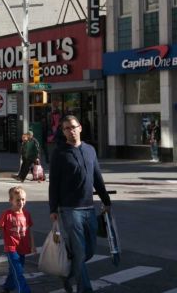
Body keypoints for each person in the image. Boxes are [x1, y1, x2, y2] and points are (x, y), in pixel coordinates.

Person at [49, 115, 112, 293]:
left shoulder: (90, 150)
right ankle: (85, 289)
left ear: (80, 127)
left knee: (90, 250)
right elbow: (54, 183)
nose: (71, 131)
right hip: (69, 209)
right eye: (67, 128)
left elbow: (97, 178)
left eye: (73, 127)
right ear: (63, 132)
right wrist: (53, 208)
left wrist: (106, 201)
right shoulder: (59, 153)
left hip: (89, 208)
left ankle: (68, 274)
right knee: (79, 249)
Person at [0, 186, 35, 293]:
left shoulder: (26, 214)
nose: (21, 202)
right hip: (11, 248)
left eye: (23, 199)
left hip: (23, 247)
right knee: (18, 272)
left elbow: (30, 230)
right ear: (11, 200)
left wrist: (32, 245)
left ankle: (8, 286)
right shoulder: (7, 214)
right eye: (18, 200)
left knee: (14, 270)